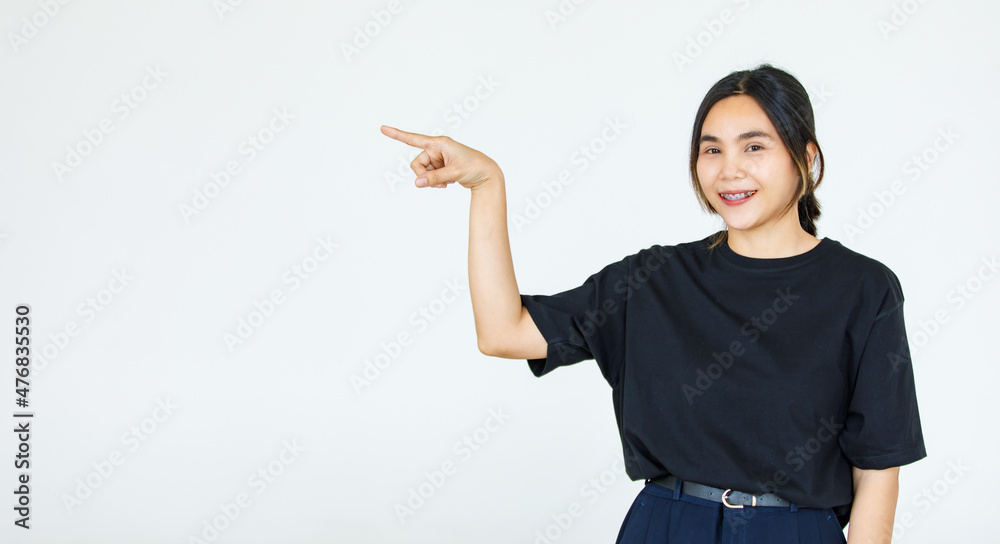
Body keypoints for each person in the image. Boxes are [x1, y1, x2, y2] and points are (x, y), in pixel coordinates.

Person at [380, 63, 926, 544]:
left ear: (805, 157)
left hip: (795, 532)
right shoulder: (653, 280)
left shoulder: (864, 289)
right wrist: (487, 185)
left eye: (754, 147)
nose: (729, 170)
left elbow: (878, 469)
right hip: (667, 525)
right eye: (712, 149)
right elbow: (503, 331)